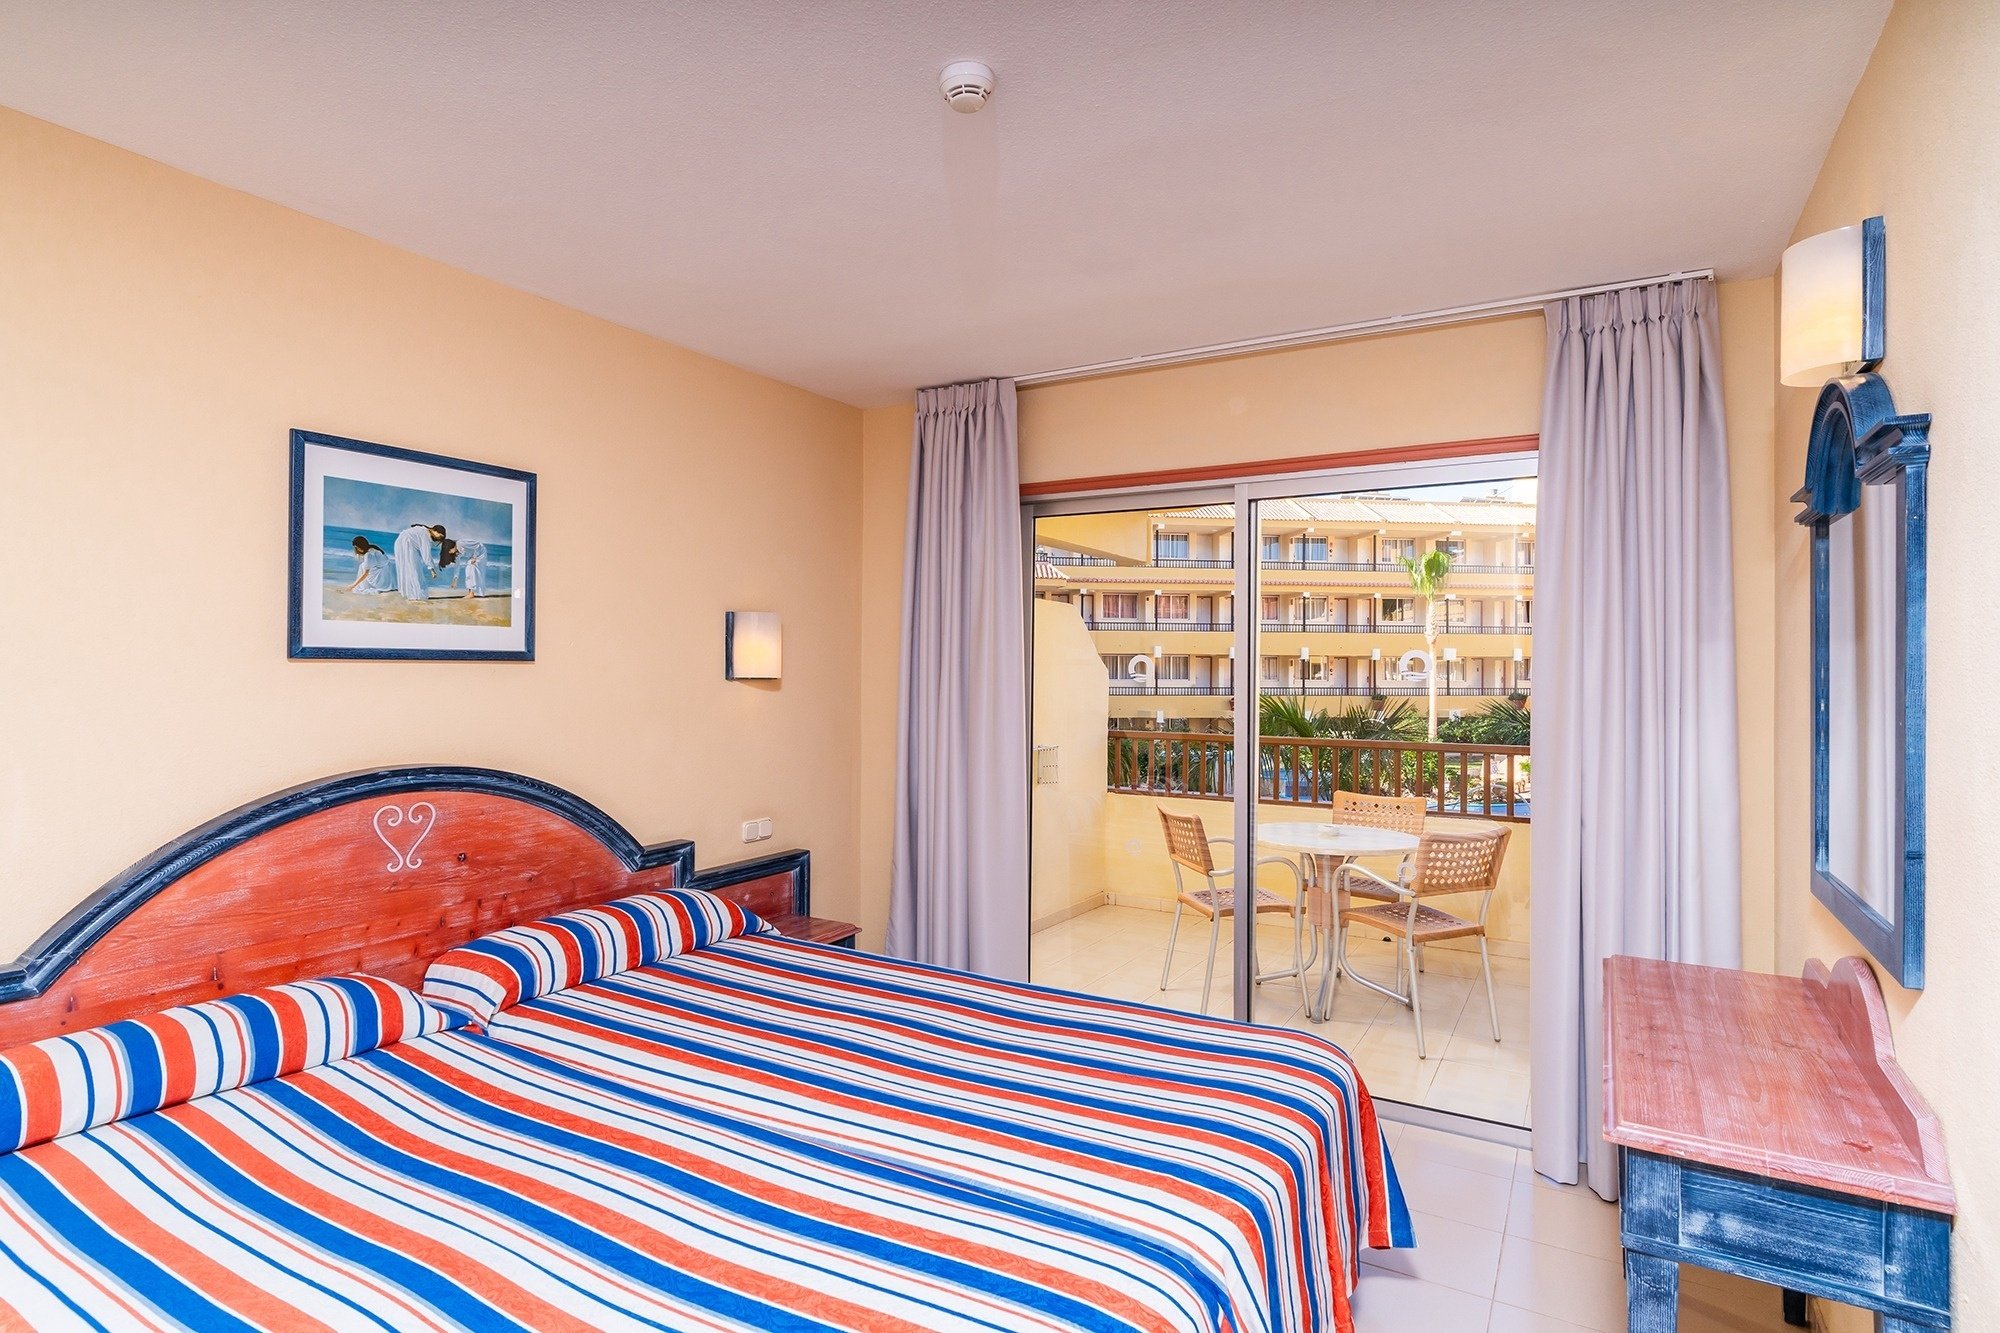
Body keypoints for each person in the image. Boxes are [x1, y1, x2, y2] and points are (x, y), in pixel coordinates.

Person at [392, 523, 445, 600]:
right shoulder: (425, 535)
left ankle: (410, 593)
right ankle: (415, 594)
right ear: (435, 531)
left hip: (400, 543)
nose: (439, 538)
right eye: (440, 536)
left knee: (408, 569)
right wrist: (432, 569)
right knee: (413, 569)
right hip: (406, 544)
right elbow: (426, 554)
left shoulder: (423, 530)